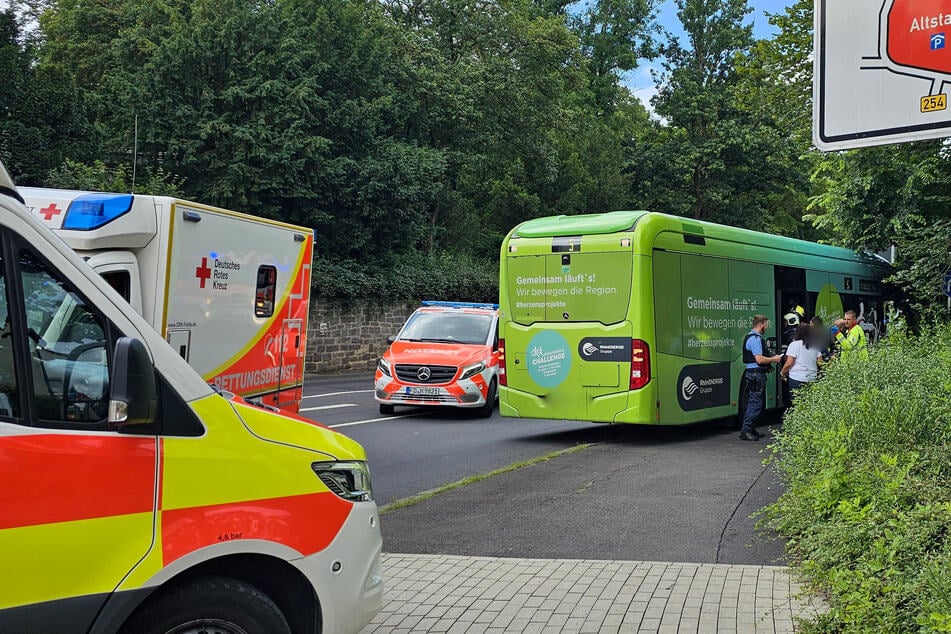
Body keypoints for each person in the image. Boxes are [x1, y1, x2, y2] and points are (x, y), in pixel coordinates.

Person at [739, 314, 782, 441]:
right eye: (766, 325)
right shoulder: (755, 339)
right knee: (755, 402)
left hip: (753, 373)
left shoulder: (750, 337)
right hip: (756, 374)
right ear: (761, 324)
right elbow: (759, 359)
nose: (766, 328)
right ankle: (746, 430)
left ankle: (750, 429)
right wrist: (774, 359)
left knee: (754, 401)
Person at [779, 323, 822, 404]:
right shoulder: (815, 345)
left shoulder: (794, 345)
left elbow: (789, 363)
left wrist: (782, 372)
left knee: (797, 404)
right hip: (812, 379)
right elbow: (820, 363)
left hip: (797, 379)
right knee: (809, 405)